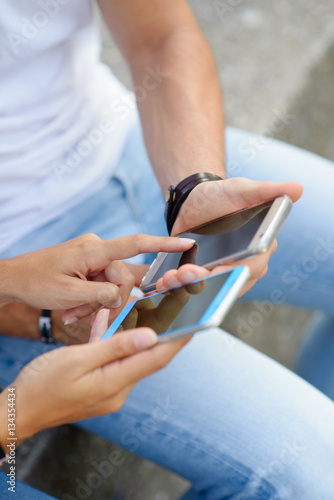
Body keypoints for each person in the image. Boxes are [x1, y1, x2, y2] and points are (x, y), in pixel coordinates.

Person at [1, 0, 334, 498]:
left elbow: (161, 34)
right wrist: (33, 317)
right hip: (19, 271)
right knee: (307, 473)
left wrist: (193, 185)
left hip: (122, 143)